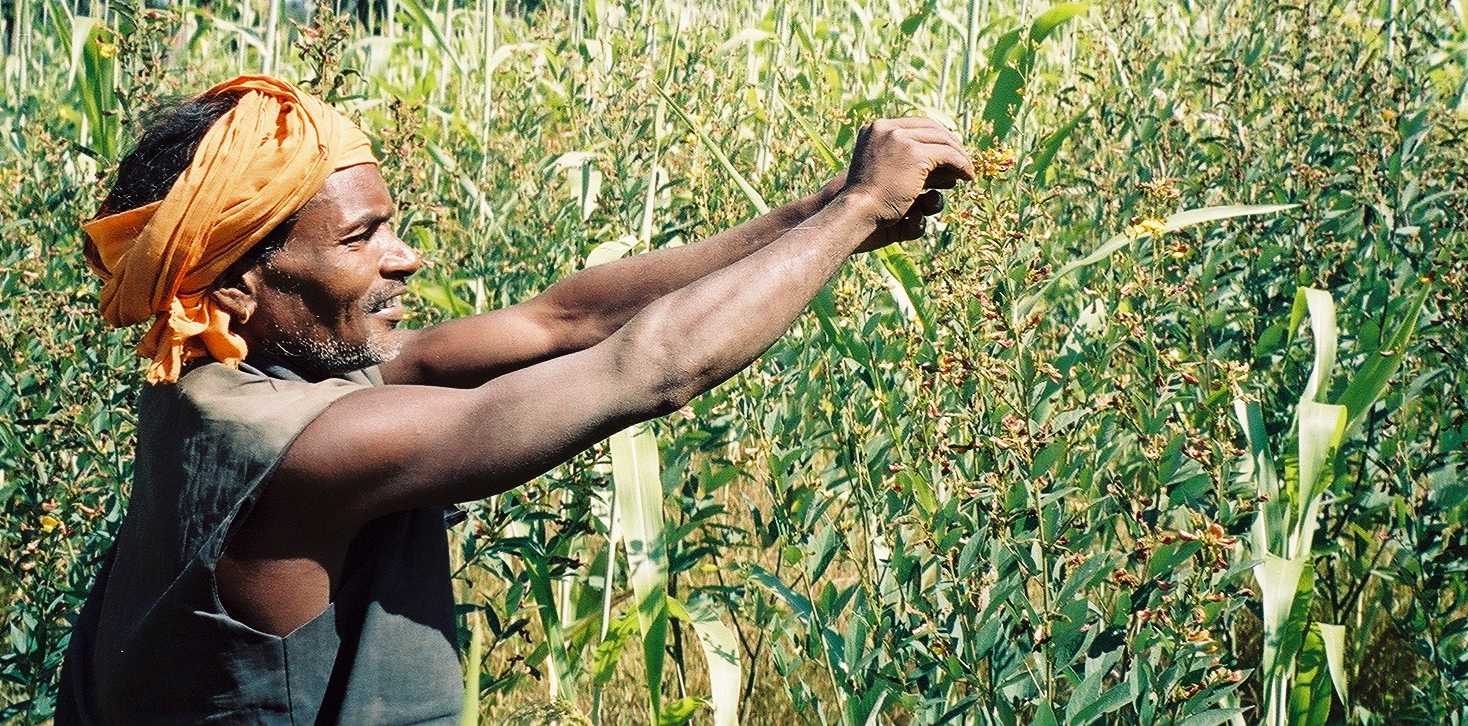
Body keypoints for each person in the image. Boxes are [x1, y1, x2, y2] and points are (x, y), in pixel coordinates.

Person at [54, 74, 973, 725]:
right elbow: (643, 370)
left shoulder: (227, 377)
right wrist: (855, 210)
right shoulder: (311, 447)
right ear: (234, 291)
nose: (404, 257)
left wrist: (826, 214)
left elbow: (561, 319)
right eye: (362, 238)